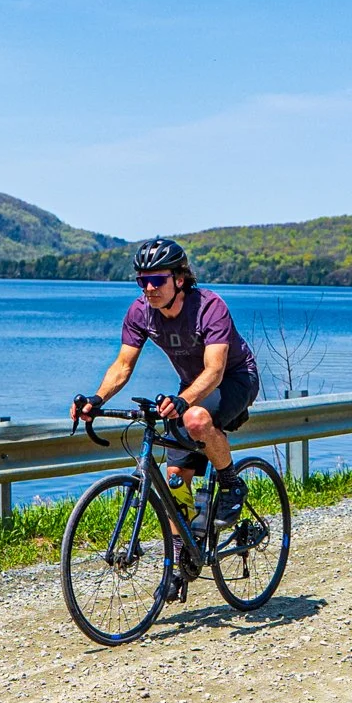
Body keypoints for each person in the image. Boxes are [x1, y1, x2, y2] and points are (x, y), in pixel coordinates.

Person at [71, 238, 260, 589]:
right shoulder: (141, 312)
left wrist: (185, 400)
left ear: (180, 278)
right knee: (175, 478)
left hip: (235, 379)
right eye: (142, 280)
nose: (149, 288)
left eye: (157, 280)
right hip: (191, 387)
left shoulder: (209, 307)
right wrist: (96, 398)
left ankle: (232, 485)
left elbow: (215, 370)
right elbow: (123, 365)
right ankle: (180, 561)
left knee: (195, 420)